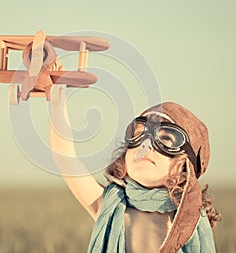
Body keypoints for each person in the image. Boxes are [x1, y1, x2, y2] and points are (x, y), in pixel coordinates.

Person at [49, 86, 221, 253]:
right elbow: (65, 158)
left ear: (185, 169)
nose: (147, 144)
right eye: (139, 133)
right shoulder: (111, 206)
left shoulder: (189, 221)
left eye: (167, 138)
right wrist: (57, 96)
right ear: (124, 158)